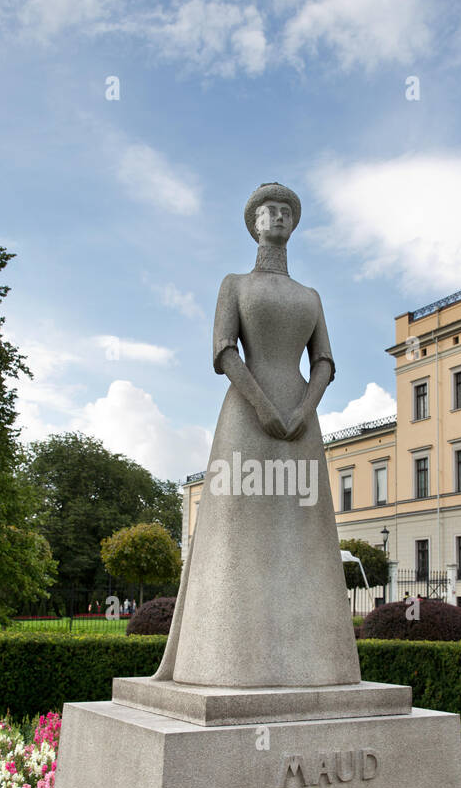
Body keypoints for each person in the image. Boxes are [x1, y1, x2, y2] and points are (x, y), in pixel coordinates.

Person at [153, 181, 360, 688]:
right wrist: (267, 408)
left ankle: (315, 665)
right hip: (247, 415)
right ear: (254, 223)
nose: (278, 216)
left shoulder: (310, 296)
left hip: (300, 423)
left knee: (304, 532)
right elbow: (225, 352)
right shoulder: (235, 285)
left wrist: (301, 412)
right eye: (269, 210)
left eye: (286, 210)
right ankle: (222, 657)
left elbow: (325, 362)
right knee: (237, 528)